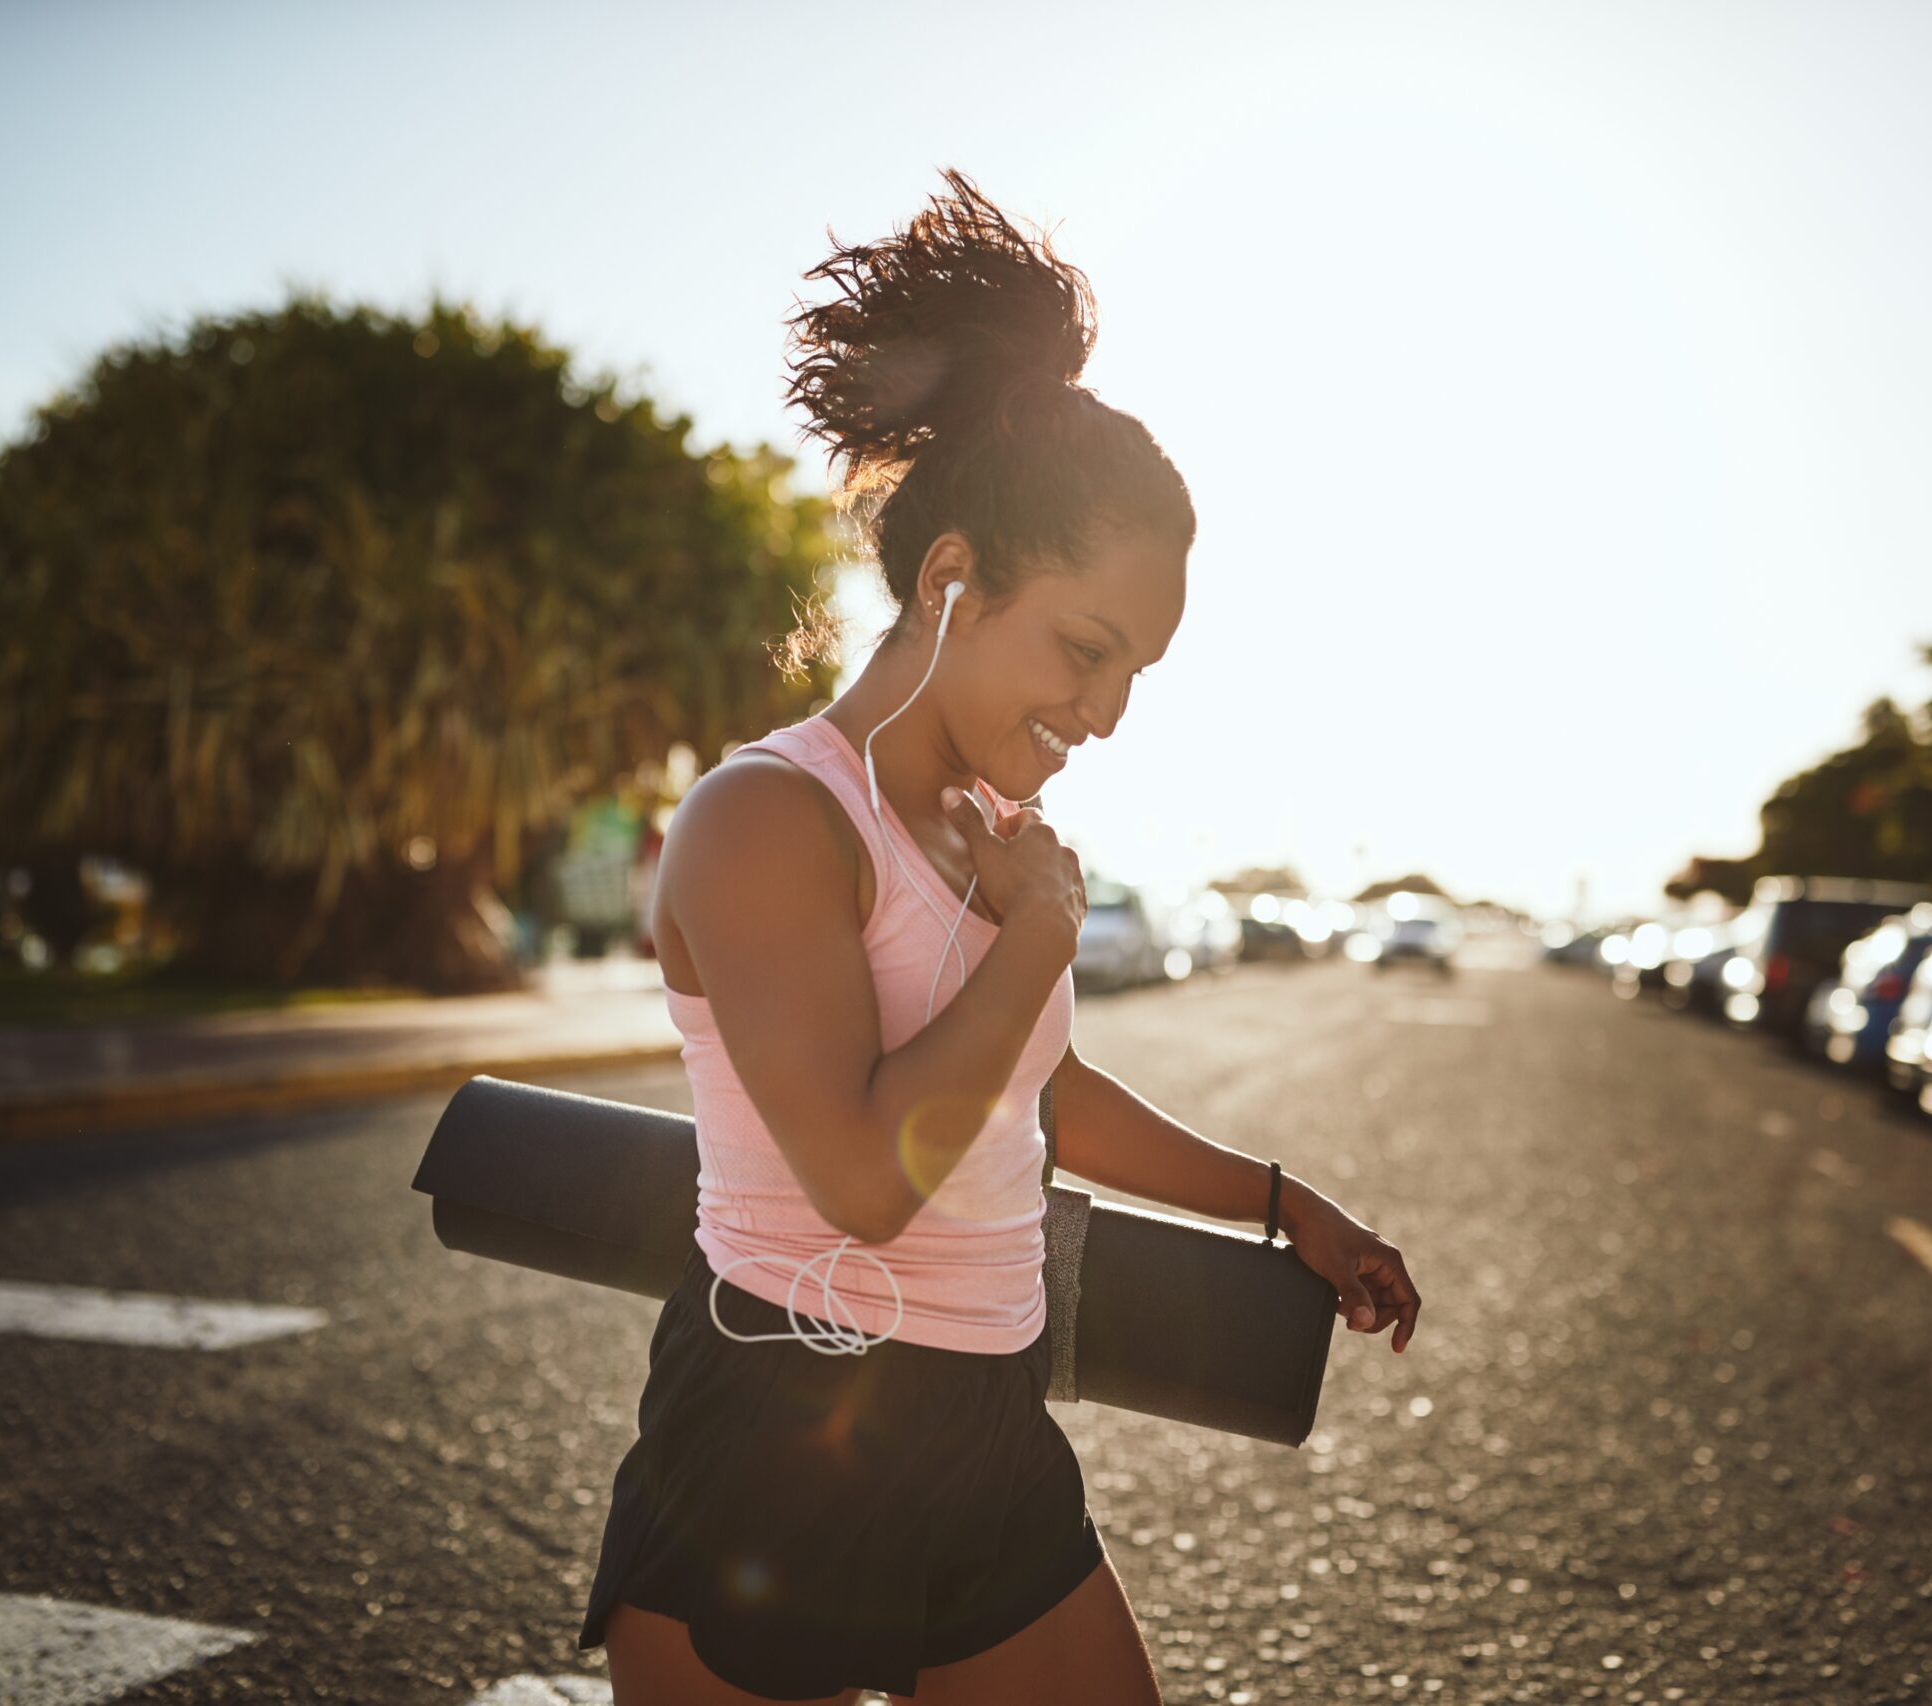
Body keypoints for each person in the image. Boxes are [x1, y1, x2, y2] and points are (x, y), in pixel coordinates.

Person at [581, 168, 1423, 1705]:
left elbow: (1038, 1102)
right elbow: (860, 1176)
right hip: (777, 1425)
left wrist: (1286, 1202)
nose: (1104, 713)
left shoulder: (1003, 843)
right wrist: (1035, 941)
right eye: (1087, 651)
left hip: (985, 1425)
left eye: (1136, 676)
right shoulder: (766, 820)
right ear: (956, 577)